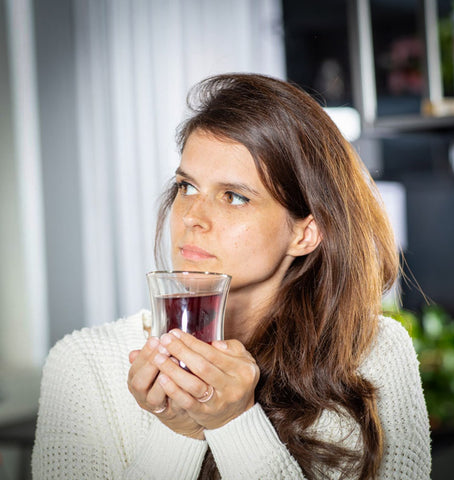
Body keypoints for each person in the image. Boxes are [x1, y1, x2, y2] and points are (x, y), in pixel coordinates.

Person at [32, 73, 431, 479]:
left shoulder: (375, 353)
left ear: (304, 232)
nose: (191, 217)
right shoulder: (84, 365)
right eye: (186, 187)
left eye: (235, 196)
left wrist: (235, 422)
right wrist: (181, 432)